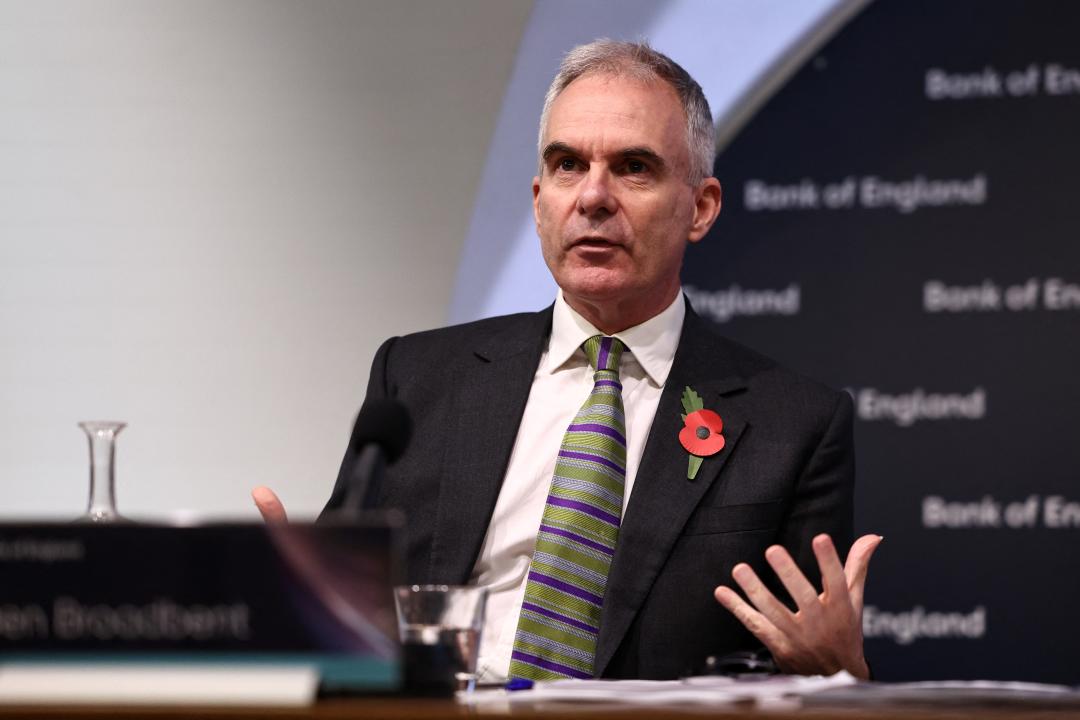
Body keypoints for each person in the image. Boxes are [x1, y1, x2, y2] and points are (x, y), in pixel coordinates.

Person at [254, 39, 880, 682]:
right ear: (538, 200)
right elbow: (342, 633)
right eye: (567, 165)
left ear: (701, 207)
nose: (593, 197)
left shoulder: (793, 425)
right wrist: (298, 597)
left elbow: (807, 673)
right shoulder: (417, 377)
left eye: (634, 166)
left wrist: (842, 673)